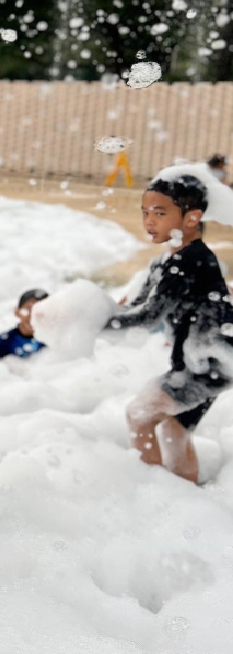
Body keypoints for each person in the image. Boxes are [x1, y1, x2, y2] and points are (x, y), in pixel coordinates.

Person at [110, 173, 233, 483]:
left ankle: (152, 494)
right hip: (212, 361)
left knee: (139, 415)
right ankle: (184, 494)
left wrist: (97, 321)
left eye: (160, 213)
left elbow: (149, 316)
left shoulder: (189, 262)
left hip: (210, 363)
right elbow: (139, 306)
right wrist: (116, 313)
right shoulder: (170, 260)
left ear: (192, 218)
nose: (149, 221)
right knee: (173, 429)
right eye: (145, 212)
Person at [0, 289, 49, 360]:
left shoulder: (51, 342)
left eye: (40, 311)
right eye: (29, 310)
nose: (33, 316)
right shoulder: (4, 342)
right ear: (17, 311)